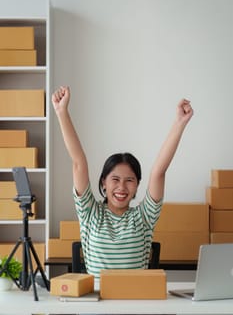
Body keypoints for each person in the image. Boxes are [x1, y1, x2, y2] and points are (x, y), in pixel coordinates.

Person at [52, 86, 193, 278]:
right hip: (96, 305)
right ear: (103, 183)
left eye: (129, 180)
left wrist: (179, 123)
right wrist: (62, 112)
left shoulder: (144, 217)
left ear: (137, 185)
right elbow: (79, 163)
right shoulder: (90, 213)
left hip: (134, 304)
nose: (121, 187)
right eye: (115, 179)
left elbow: (159, 172)